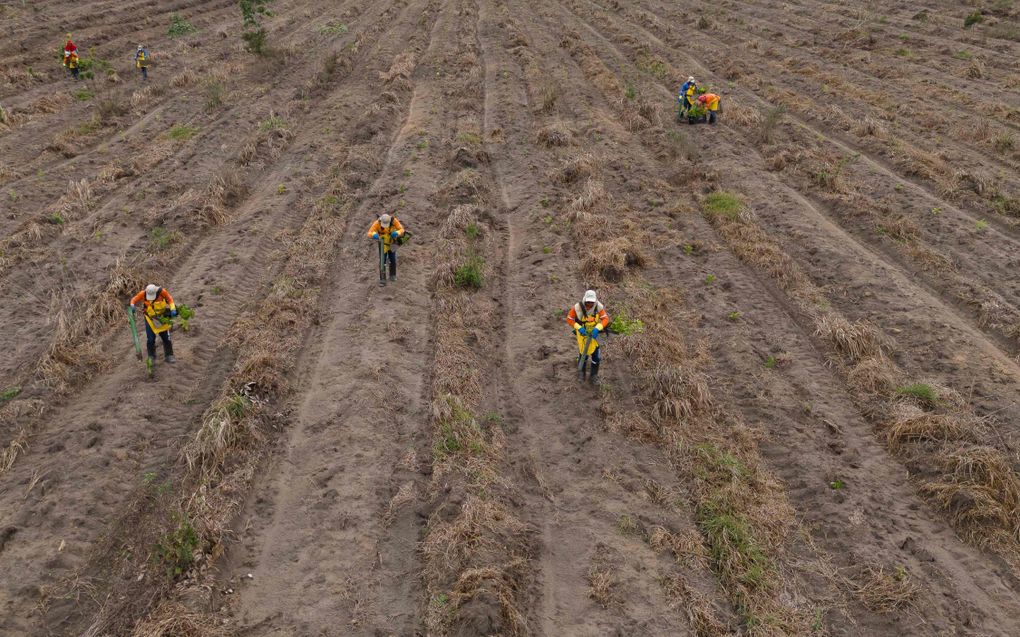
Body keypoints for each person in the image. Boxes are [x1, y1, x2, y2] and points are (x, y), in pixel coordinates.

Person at [566, 289, 610, 383]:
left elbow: (605, 319)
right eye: (588, 302)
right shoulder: (577, 307)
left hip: (594, 334)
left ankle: (594, 376)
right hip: (583, 335)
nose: (590, 304)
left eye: (592, 302)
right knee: (583, 354)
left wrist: (598, 328)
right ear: (585, 299)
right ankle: (581, 373)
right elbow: (569, 319)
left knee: (596, 356)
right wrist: (579, 327)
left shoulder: (598, 306)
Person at [129, 284, 177, 365]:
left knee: (166, 337)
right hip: (150, 319)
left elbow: (170, 299)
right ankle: (151, 356)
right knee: (150, 339)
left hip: (162, 318)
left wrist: (173, 309)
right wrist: (132, 305)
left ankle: (169, 355)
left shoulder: (162, 292)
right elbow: (134, 299)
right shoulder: (143, 293)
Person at [367, 213, 405, 286]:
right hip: (382, 243)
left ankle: (392, 275)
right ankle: (382, 279)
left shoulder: (394, 221)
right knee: (382, 261)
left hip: (392, 242)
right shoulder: (377, 223)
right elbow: (369, 233)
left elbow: (402, 230)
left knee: (392, 259)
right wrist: (373, 235)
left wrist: (397, 232)